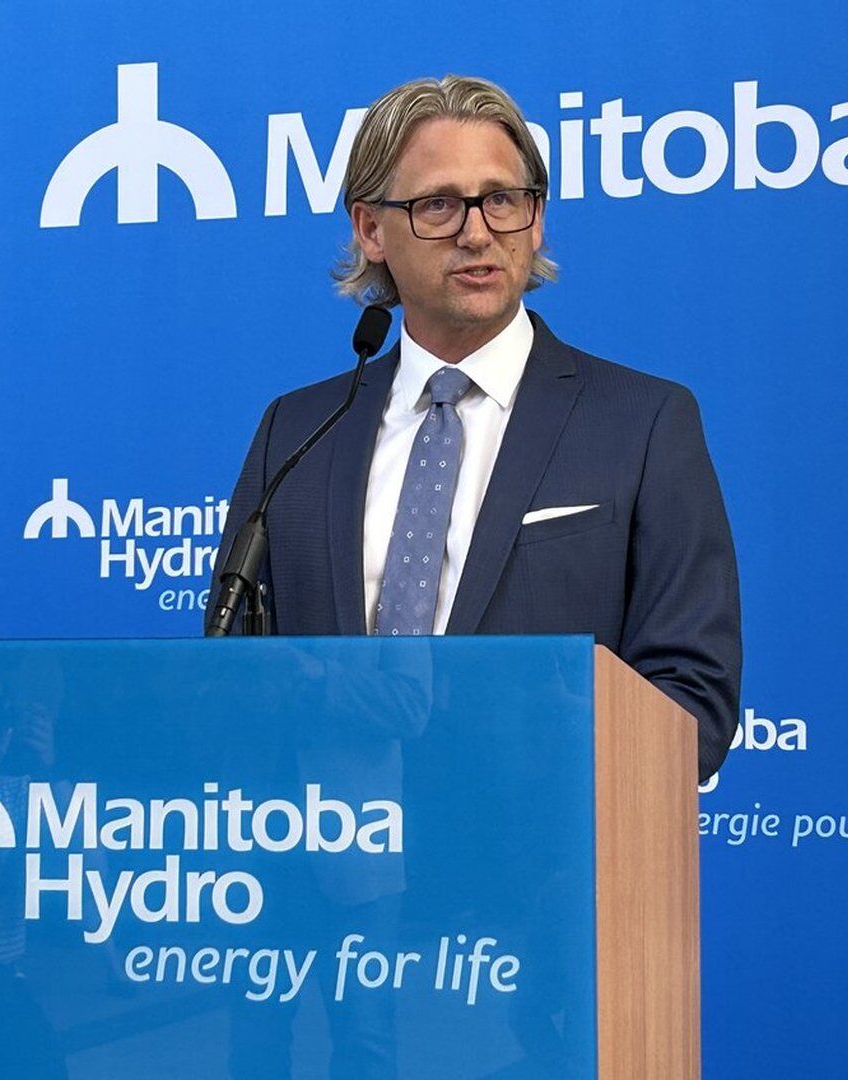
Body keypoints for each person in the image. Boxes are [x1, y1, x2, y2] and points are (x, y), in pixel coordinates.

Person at [217, 74, 742, 783]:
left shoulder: (642, 424)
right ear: (370, 229)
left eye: (502, 199)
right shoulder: (297, 433)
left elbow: (693, 702)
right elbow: (236, 679)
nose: (476, 232)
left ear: (536, 217)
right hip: (332, 843)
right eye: (438, 204)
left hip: (540, 840)